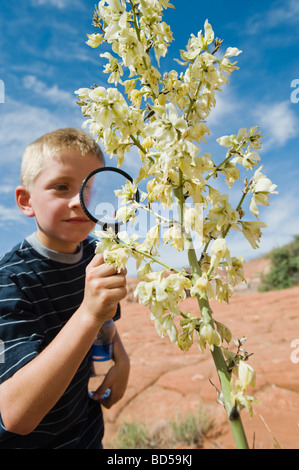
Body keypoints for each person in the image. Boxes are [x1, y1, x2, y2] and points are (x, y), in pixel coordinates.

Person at [0, 128, 130, 448]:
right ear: (26, 201)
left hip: (87, 434)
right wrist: (88, 312)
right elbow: (15, 416)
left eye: (88, 190)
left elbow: (105, 320)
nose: (78, 201)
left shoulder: (96, 251)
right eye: (61, 187)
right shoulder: (9, 281)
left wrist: (121, 360)